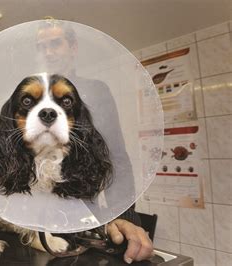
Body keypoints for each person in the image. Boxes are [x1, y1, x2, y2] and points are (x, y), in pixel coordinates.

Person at [36, 19, 154, 264]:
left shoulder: (96, 91)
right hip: (35, 220)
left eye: (55, 43)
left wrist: (126, 218)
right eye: (41, 46)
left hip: (84, 217)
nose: (48, 52)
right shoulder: (32, 97)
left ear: (73, 47)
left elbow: (116, 157)